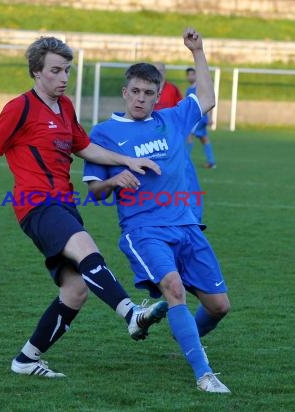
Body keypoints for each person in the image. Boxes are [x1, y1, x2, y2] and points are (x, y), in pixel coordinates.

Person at [0, 37, 168, 377]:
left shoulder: (65, 107)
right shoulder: (19, 107)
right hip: (35, 203)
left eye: (67, 69)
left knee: (76, 290)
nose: (63, 77)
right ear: (37, 72)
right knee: (86, 247)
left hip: (63, 203)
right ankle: (131, 314)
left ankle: (26, 359)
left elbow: (86, 148)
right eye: (55, 70)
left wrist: (128, 160)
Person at [82, 29, 231, 393]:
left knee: (218, 306)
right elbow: (94, 192)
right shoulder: (104, 133)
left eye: (149, 93)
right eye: (135, 91)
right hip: (144, 230)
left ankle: (182, 335)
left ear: (157, 96)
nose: (141, 99)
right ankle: (203, 374)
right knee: (173, 287)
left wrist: (198, 50)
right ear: (125, 92)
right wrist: (115, 180)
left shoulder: (172, 119)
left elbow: (208, 97)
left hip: (187, 226)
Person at [185, 67, 217, 168]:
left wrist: (210, 117)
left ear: (196, 76)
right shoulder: (189, 90)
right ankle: (211, 161)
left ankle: (184, 161)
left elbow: (207, 102)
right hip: (197, 118)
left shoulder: (199, 89)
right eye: (188, 75)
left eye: (192, 74)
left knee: (189, 136)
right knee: (204, 139)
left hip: (199, 118)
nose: (190, 76)